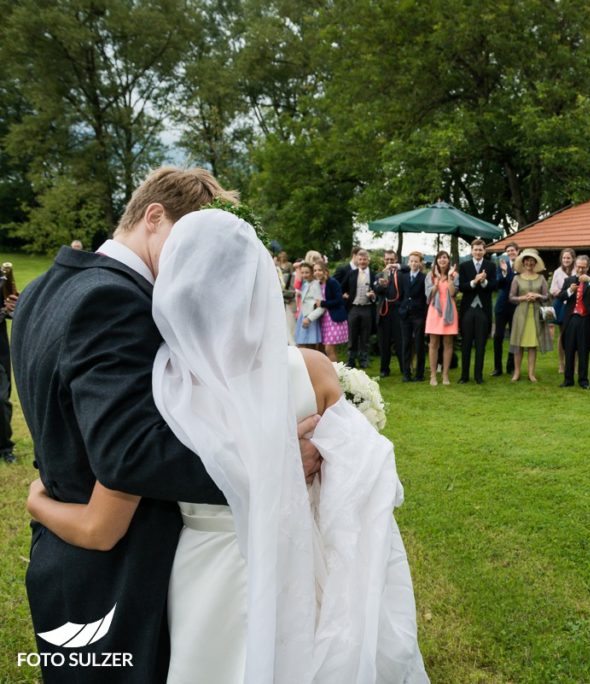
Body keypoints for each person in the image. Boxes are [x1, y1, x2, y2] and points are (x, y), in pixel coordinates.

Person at [26, 209, 428, 683]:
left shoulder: (167, 390)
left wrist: (36, 501)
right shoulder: (312, 371)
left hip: (202, 570)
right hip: (291, 556)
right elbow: (367, 485)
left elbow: (114, 497)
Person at [10, 168, 322, 683]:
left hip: (64, 557)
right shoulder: (116, 299)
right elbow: (127, 453)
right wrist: (273, 464)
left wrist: (42, 502)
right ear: (154, 217)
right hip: (120, 573)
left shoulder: (46, 286)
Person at [558, 255, 590, 389]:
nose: (580, 269)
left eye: (583, 267)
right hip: (572, 319)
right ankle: (568, 380)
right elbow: (560, 297)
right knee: (569, 349)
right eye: (578, 266)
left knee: (584, 351)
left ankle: (583, 380)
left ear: (588, 267)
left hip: (586, 319)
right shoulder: (569, 280)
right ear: (575, 266)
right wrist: (569, 291)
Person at [508, 248, 552, 382]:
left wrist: (538, 296)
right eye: (527, 260)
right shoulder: (517, 278)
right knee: (518, 344)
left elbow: (547, 296)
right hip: (521, 314)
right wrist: (523, 298)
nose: (529, 263)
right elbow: (511, 297)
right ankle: (516, 372)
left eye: (532, 261)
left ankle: (531, 374)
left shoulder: (541, 278)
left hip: (536, 315)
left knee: (532, 345)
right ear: (523, 262)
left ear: (535, 263)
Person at [457, 239, 497, 384]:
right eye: (475, 249)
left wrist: (485, 281)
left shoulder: (491, 266)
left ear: (484, 251)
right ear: (471, 251)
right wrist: (474, 281)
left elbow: (494, 286)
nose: (478, 252)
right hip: (468, 309)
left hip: (483, 309)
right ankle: (464, 376)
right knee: (466, 343)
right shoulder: (464, 266)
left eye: (480, 249)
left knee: (481, 344)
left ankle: (478, 376)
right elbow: (461, 286)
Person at [425, 250, 459, 386]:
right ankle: (433, 375)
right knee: (433, 343)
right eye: (440, 258)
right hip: (434, 311)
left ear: (448, 260)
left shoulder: (455, 275)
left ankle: (445, 374)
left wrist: (450, 277)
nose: (442, 260)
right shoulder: (430, 275)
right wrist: (438, 279)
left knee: (448, 343)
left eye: (444, 258)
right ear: (436, 261)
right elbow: (429, 295)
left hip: (449, 312)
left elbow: (452, 292)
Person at [341, 248, 376, 369]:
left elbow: (378, 291)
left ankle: (364, 360)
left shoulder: (373, 274)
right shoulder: (352, 273)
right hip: (354, 308)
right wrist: (345, 295)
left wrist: (373, 295)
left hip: (367, 308)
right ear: (357, 260)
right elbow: (342, 287)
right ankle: (351, 360)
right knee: (352, 335)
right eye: (360, 259)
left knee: (365, 336)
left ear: (368, 260)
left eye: (364, 259)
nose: (362, 262)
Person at [373, 249, 404, 378]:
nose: (389, 262)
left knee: (400, 342)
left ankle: (404, 368)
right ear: (384, 260)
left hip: (398, 312)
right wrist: (382, 284)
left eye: (392, 260)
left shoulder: (402, 273)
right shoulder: (380, 274)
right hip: (384, 312)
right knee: (384, 343)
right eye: (387, 260)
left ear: (396, 260)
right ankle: (384, 369)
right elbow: (377, 290)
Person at [398, 251, 428, 382]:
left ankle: (419, 374)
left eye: (416, 261)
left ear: (420, 263)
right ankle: (406, 373)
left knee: (419, 344)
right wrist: (401, 308)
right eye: (412, 261)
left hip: (418, 315)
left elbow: (425, 297)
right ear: (408, 262)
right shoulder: (403, 277)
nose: (414, 263)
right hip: (405, 315)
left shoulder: (424, 277)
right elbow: (401, 294)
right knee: (406, 344)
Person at [492, 242, 520, 376]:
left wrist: (511, 274)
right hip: (502, 306)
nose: (510, 253)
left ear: (518, 251)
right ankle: (497, 367)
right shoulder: (501, 265)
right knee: (498, 336)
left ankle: (511, 365)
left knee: (514, 336)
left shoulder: (522, 266)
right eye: (508, 251)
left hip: (516, 306)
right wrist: (504, 272)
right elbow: (498, 284)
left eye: (512, 250)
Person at [549, 248, 576, 375]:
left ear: (573, 259)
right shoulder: (557, 272)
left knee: (575, 335)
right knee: (562, 335)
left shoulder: (577, 270)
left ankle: (575, 365)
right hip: (561, 305)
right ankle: (561, 363)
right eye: (564, 258)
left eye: (568, 258)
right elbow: (552, 290)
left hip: (575, 305)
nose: (566, 260)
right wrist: (565, 293)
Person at [0, 263, 17, 463]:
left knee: (1, 399)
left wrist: (13, 306)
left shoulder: (2, 277)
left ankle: (4, 447)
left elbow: (11, 310)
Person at [316, 261, 348, 362]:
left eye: (320, 270)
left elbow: (339, 300)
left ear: (325, 271)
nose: (317, 272)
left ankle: (336, 373)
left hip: (333, 319)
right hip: (323, 319)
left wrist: (323, 303)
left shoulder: (332, 282)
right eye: (315, 270)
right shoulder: (317, 284)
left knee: (329, 349)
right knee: (327, 349)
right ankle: (335, 372)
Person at [295, 262, 325, 351]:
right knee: (301, 345)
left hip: (310, 317)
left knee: (309, 347)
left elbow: (321, 306)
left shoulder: (315, 285)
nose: (304, 275)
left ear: (312, 272)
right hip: (303, 315)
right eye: (302, 272)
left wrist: (309, 318)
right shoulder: (306, 284)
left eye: (307, 272)